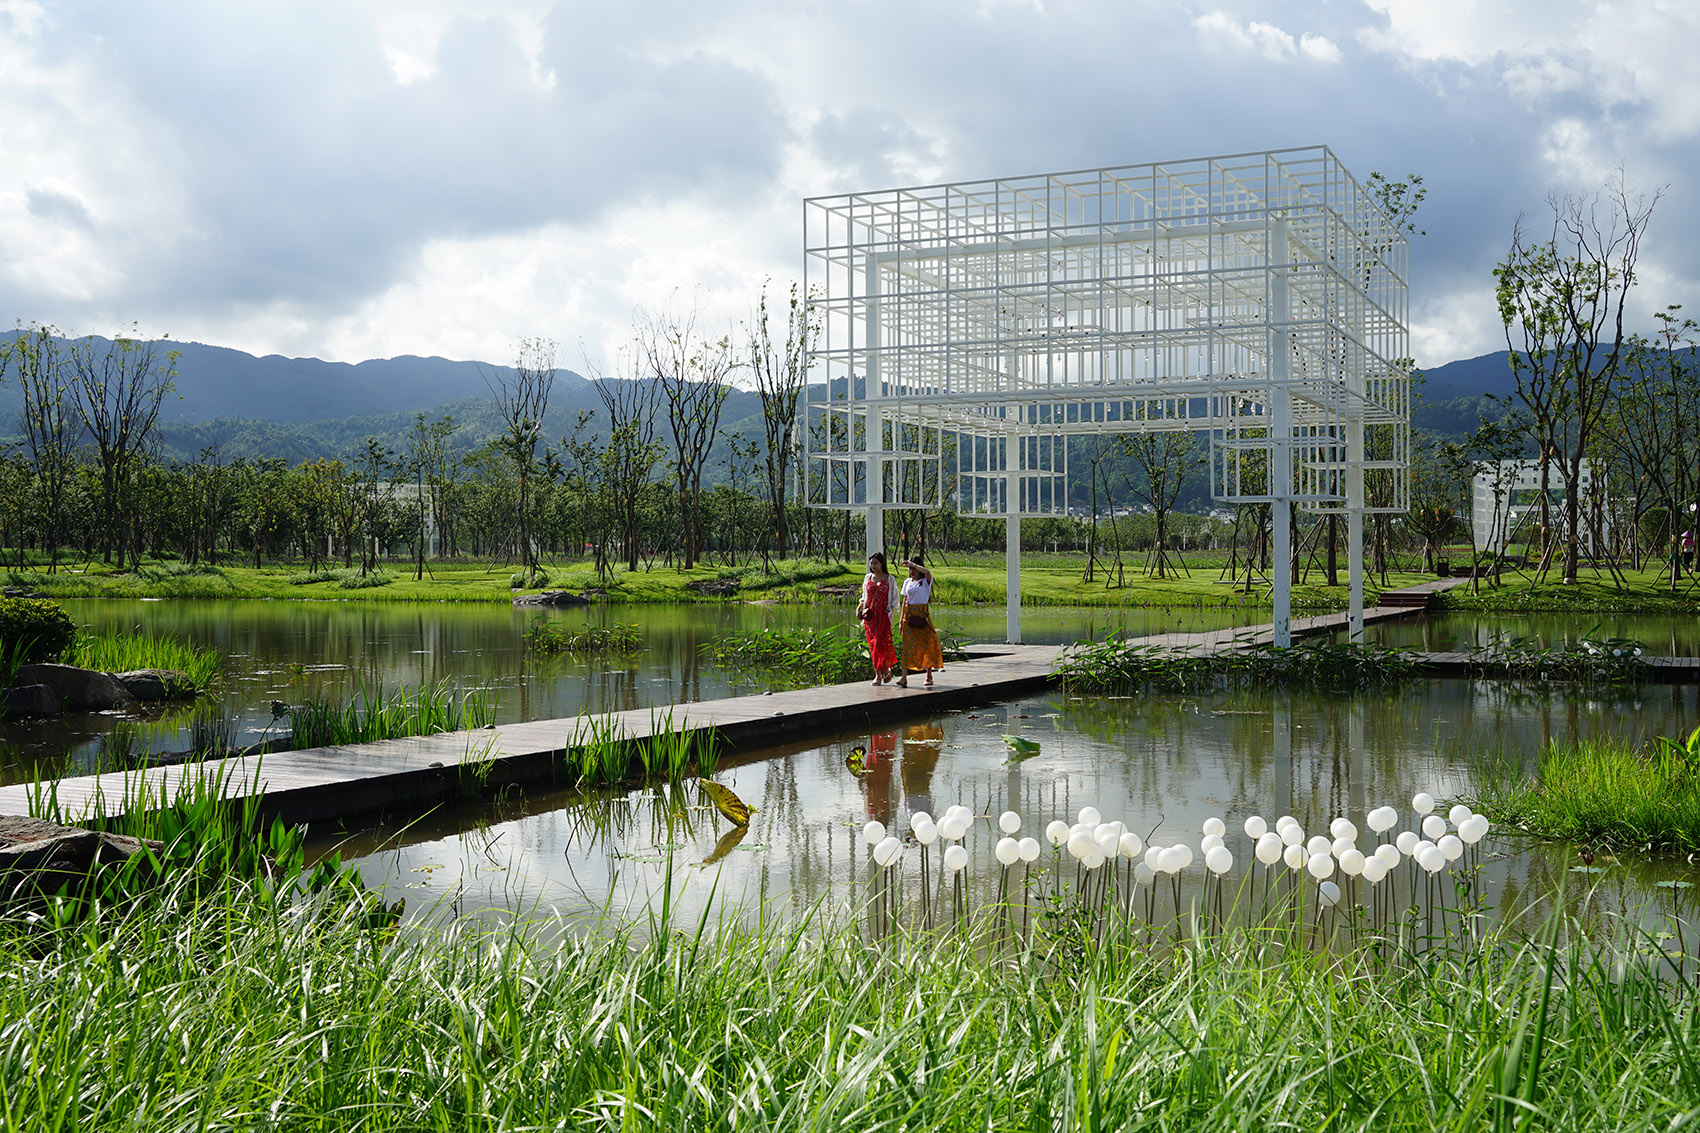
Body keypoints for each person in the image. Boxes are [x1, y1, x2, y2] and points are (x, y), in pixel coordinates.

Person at [896, 555, 943, 688]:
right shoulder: (907, 582)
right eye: (910, 569)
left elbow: (928, 572)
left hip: (922, 615)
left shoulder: (925, 581)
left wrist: (913, 563)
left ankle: (929, 675)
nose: (912, 572)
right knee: (907, 646)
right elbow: (905, 601)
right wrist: (901, 620)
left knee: (926, 644)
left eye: (914, 569)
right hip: (909, 616)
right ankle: (904, 678)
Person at [857, 552, 898, 685]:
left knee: (881, 644)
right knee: (873, 645)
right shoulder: (868, 578)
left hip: (883, 617)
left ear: (882, 564)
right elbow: (864, 596)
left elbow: (895, 600)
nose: (873, 566)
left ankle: (885, 671)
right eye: (871, 563)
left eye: (876, 563)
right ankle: (879, 674)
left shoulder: (889, 579)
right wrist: (859, 607)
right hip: (870, 617)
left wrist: (890, 611)